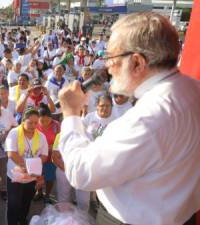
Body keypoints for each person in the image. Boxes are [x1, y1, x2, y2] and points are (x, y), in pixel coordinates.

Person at [57, 12, 200, 225]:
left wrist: (70, 113)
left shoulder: (149, 118)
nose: (107, 67)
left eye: (111, 57)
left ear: (136, 62)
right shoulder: (192, 88)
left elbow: (81, 172)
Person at [5, 108, 48, 225]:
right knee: (13, 204)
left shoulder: (41, 137)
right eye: (30, 122)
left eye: (35, 122)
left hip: (31, 177)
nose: (33, 125)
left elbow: (44, 155)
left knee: (26, 202)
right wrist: (29, 166)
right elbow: (11, 153)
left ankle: (22, 219)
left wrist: (33, 168)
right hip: (15, 176)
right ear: (23, 121)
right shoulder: (14, 133)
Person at [34, 104, 60, 204]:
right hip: (38, 156)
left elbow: (61, 139)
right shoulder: (34, 124)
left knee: (50, 177)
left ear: (51, 117)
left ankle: (47, 195)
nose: (45, 123)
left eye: (47, 120)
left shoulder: (56, 125)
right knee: (37, 176)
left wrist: (53, 147)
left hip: (51, 157)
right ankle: (39, 192)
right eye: (42, 121)